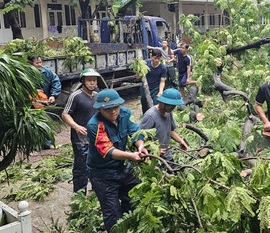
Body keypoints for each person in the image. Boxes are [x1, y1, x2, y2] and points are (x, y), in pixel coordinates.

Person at [86, 89, 149, 232]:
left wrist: (140, 147)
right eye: (107, 109)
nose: (113, 111)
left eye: (115, 107)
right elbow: (108, 151)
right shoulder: (94, 125)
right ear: (100, 109)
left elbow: (135, 132)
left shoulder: (125, 114)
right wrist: (132, 156)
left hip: (123, 168)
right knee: (112, 213)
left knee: (133, 201)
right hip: (103, 174)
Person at [62, 69, 102, 194]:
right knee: (81, 168)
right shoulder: (75, 96)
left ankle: (97, 192)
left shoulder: (97, 96)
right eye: (89, 80)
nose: (92, 83)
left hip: (96, 137)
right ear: (83, 81)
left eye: (94, 80)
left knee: (97, 166)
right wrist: (76, 126)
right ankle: (79, 195)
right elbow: (65, 114)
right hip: (80, 139)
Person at [139, 88, 188, 170]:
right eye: (171, 105)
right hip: (155, 159)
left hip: (167, 156)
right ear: (162, 102)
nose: (173, 107)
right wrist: (153, 150)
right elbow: (139, 137)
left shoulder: (168, 113)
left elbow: (171, 130)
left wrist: (180, 141)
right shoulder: (150, 116)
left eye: (174, 106)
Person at [28, 55, 61, 149]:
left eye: (40, 62)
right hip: (30, 103)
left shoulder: (47, 71)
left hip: (43, 102)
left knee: (45, 121)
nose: (39, 65)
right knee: (32, 124)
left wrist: (53, 95)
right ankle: (34, 146)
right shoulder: (26, 73)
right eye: (37, 63)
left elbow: (56, 82)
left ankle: (48, 143)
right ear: (30, 64)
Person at [140, 48, 167, 113]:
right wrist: (138, 71)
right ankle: (145, 118)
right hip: (145, 87)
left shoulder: (163, 68)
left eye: (158, 58)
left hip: (156, 88)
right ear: (151, 56)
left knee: (156, 105)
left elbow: (162, 81)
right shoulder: (145, 64)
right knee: (144, 104)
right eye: (155, 58)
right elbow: (138, 77)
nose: (157, 60)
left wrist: (160, 91)